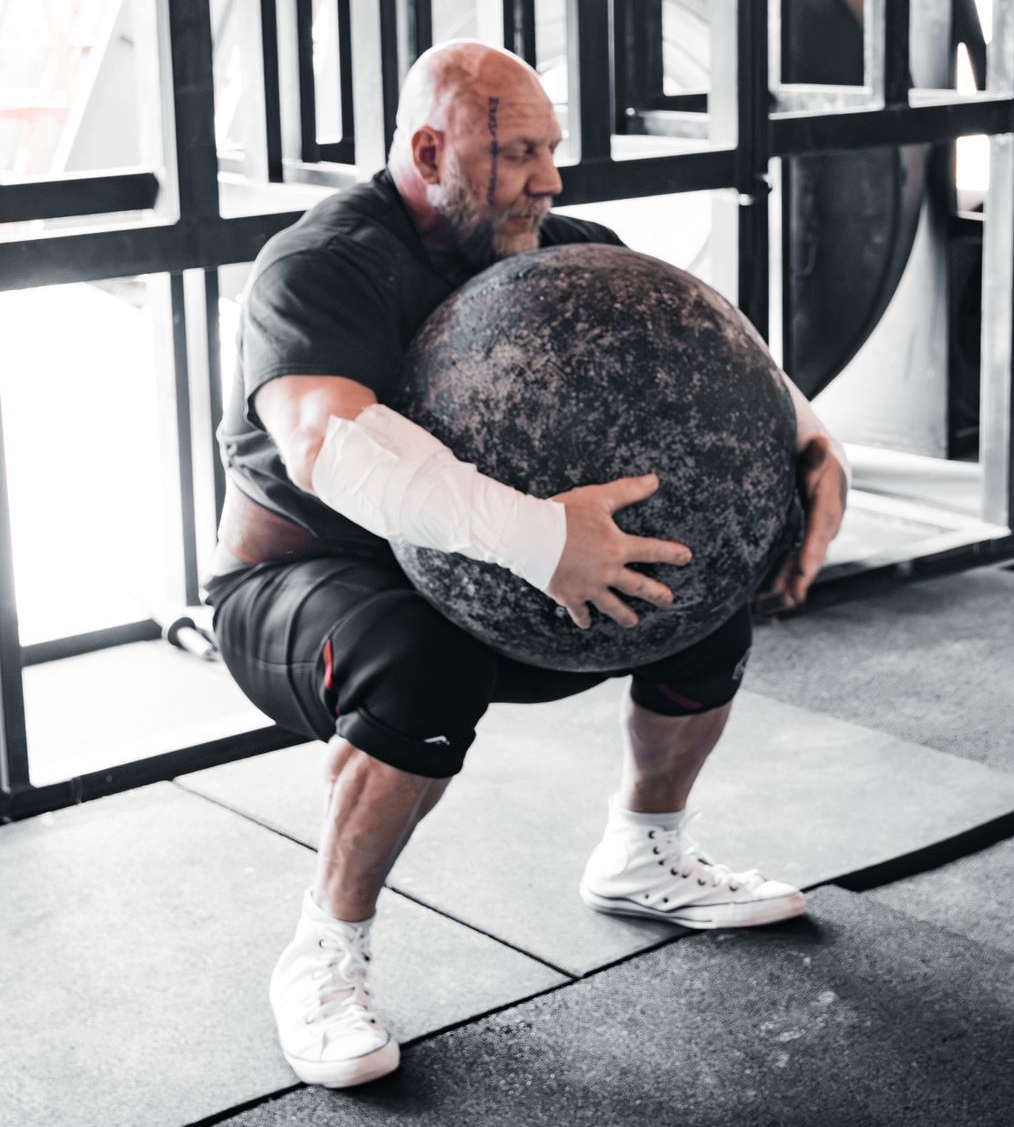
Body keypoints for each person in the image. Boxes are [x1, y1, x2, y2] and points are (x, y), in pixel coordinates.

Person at [205, 40, 849, 1090]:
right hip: (306, 587)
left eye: (553, 151)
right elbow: (328, 441)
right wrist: (543, 540)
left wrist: (817, 447)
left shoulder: (564, 243)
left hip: (506, 587)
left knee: (699, 589)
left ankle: (645, 847)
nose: (551, 180)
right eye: (520, 154)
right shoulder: (323, 264)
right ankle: (326, 945)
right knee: (424, 669)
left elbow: (722, 364)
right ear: (427, 148)